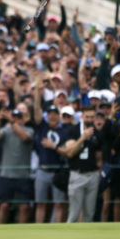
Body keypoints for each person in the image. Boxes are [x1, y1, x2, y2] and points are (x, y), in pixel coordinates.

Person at [33, 79, 68, 223]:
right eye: (50, 114)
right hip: (42, 171)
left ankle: (58, 231)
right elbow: (36, 109)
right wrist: (37, 92)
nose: (53, 116)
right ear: (47, 116)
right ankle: (37, 231)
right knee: (40, 204)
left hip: (57, 172)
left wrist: (54, 147)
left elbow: (67, 151)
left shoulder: (64, 131)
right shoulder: (42, 127)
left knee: (58, 204)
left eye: (55, 114)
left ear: (59, 116)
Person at [0, 108, 34, 224]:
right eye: (13, 117)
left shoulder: (29, 130)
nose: (15, 120)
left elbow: (24, 137)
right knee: (4, 206)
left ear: (22, 120)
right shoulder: (6, 130)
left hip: (23, 176)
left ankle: (22, 232)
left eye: (18, 118)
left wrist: (10, 120)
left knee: (24, 207)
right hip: (7, 175)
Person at [61, 106, 103, 222]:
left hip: (93, 175)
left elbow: (99, 158)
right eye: (87, 117)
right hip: (77, 173)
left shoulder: (98, 134)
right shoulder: (73, 131)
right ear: (82, 116)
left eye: (92, 117)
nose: (89, 120)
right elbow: (70, 153)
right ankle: (70, 238)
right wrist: (83, 138)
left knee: (89, 213)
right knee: (74, 213)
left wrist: (98, 175)